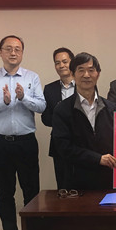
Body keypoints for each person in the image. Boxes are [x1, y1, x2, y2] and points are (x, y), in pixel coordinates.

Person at [0, 35, 46, 230]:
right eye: (8, 48)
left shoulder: (32, 77)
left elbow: (42, 106)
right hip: (1, 142)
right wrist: (4, 101)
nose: (13, 52)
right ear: (1, 52)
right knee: (5, 191)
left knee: (31, 190)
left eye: (17, 49)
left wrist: (23, 98)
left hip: (26, 141)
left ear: (22, 53)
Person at [52, 52, 116, 190]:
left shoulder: (111, 108)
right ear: (72, 74)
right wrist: (97, 159)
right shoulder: (62, 110)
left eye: (91, 70)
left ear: (98, 74)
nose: (86, 75)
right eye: (81, 70)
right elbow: (63, 147)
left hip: (108, 181)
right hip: (76, 182)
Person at [41, 47, 75, 189]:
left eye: (65, 62)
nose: (61, 65)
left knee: (84, 187)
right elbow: (45, 118)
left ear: (72, 62)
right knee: (63, 185)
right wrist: (60, 116)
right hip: (59, 143)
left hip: (82, 142)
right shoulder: (50, 89)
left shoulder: (84, 85)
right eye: (57, 63)